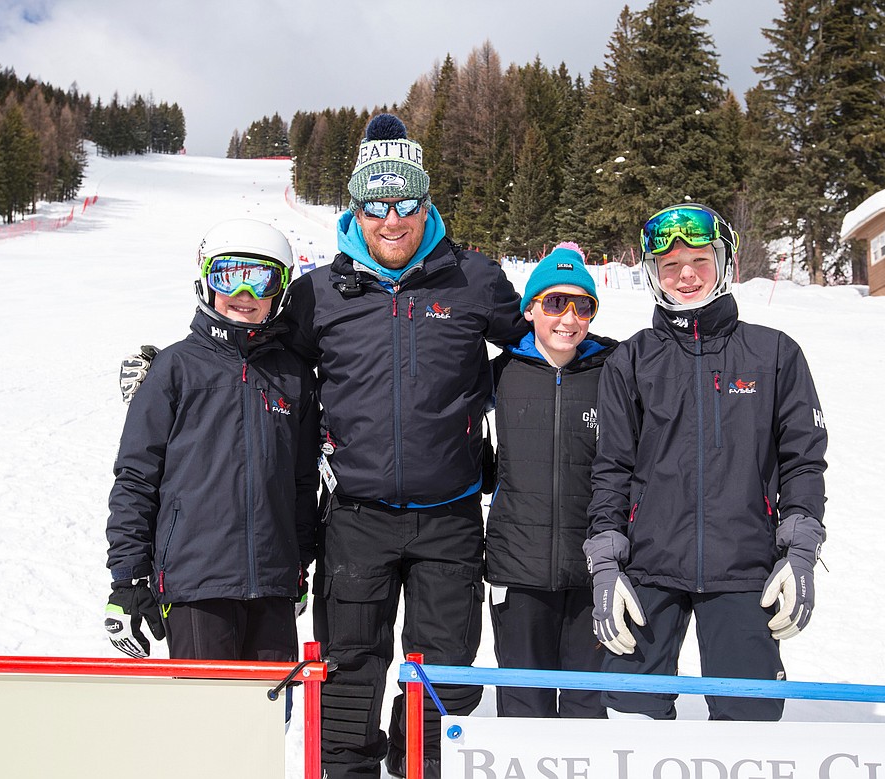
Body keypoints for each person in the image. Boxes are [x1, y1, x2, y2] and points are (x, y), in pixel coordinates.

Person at [283, 113, 530, 779]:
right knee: (349, 668)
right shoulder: (317, 295)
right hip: (355, 518)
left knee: (443, 669)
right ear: (356, 208)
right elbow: (266, 368)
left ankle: (418, 767)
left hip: (449, 515)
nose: (393, 220)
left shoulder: (473, 279)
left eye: (406, 203)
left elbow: (541, 349)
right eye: (376, 205)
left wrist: (622, 369)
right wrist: (182, 369)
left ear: (427, 202)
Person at [585, 203, 828, 721]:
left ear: (725, 263)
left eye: (699, 259)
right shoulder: (631, 360)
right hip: (648, 569)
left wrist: (800, 551)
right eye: (669, 266)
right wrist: (605, 562)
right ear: (653, 275)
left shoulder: (776, 354)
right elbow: (611, 470)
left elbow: (803, 462)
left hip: (745, 569)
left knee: (748, 720)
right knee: (632, 714)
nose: (686, 275)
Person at [104, 219, 320, 675]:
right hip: (196, 582)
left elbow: (302, 483)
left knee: (264, 723)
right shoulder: (174, 369)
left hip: (274, 583)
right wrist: (127, 577)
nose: (243, 293)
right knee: (207, 720)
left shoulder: (293, 376)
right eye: (229, 275)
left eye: (259, 278)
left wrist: (299, 566)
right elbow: (137, 478)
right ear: (206, 279)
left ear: (280, 291)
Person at [485, 243, 619, 719]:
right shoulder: (499, 374)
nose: (568, 318)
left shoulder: (615, 371)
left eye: (582, 306)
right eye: (554, 303)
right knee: (524, 704)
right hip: (518, 569)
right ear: (530, 309)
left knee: (588, 704)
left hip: (593, 569)